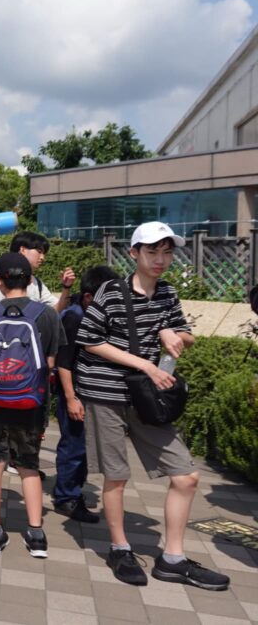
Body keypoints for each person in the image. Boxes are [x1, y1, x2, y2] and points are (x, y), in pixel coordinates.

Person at [75, 222, 229, 590]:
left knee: (186, 475)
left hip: (146, 395)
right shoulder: (111, 291)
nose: (160, 259)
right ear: (134, 253)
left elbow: (185, 335)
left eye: (167, 252)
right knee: (116, 475)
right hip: (106, 391)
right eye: (152, 251)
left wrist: (171, 334)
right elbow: (89, 339)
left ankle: (172, 558)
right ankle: (120, 548)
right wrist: (145, 364)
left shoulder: (167, 292)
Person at [0, 253, 63, 557]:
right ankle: (36, 535)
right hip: (32, 403)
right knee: (29, 465)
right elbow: (51, 360)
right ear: (30, 280)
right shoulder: (47, 315)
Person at [51, 265, 119, 523]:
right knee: (74, 445)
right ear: (89, 297)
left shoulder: (90, 313)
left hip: (88, 390)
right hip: (74, 392)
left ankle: (73, 491)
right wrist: (71, 398)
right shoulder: (75, 317)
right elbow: (63, 362)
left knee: (82, 445)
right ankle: (66, 498)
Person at [0, 231, 76, 311]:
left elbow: (56, 310)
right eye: (39, 252)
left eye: (44, 254)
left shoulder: (37, 283)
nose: (43, 258)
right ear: (22, 250)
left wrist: (66, 287)